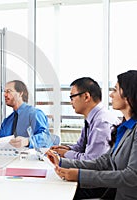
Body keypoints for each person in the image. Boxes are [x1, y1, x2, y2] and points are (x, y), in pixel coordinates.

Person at [47, 70, 137, 200]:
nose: (111, 95)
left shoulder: (106, 122)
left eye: (115, 90)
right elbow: (105, 161)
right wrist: (62, 162)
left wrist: (79, 175)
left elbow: (132, 176)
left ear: (129, 94)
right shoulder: (125, 128)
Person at [51, 77, 119, 160]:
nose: (70, 102)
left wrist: (66, 154)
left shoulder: (102, 122)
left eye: (72, 97)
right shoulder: (92, 118)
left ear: (86, 97)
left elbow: (92, 160)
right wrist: (67, 149)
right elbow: (81, 147)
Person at [0, 80, 51, 148]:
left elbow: (46, 138)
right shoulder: (7, 121)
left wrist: (28, 141)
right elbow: (3, 141)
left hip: (31, 157)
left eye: (8, 91)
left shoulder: (35, 114)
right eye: (4, 91)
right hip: (9, 157)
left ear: (20, 93)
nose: (4, 94)